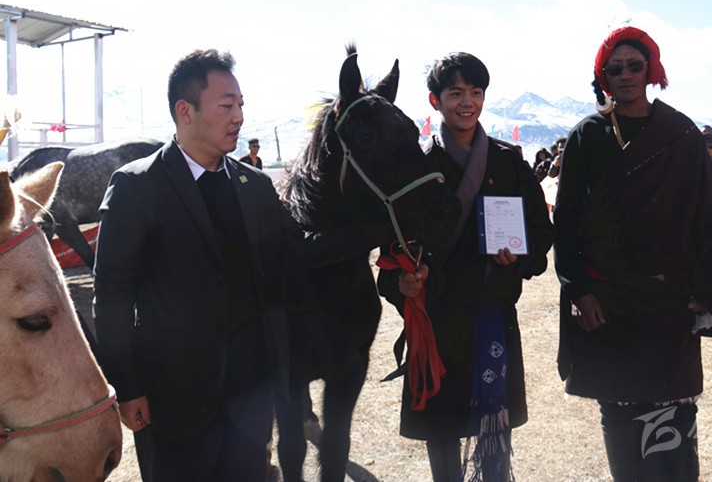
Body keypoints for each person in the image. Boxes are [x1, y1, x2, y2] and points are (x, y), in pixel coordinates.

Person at [93, 49, 384, 481]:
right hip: (175, 397)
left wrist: (378, 229)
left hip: (251, 397)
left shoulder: (255, 187)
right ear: (185, 111)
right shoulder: (138, 186)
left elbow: (299, 250)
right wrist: (127, 386)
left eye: (241, 105)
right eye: (226, 105)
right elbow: (112, 295)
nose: (239, 117)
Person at [553, 26, 712, 482]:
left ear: (650, 71)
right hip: (607, 303)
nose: (625, 75)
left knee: (672, 424)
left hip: (669, 305)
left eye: (634, 66)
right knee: (620, 415)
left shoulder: (679, 134)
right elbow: (567, 223)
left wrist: (711, 293)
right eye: (614, 69)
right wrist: (579, 290)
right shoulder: (587, 136)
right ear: (603, 76)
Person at [377, 52, 554, 482]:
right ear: (435, 100)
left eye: (476, 92)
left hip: (492, 312)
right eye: (456, 93)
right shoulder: (416, 167)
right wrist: (402, 282)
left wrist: (519, 257)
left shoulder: (509, 163)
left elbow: (540, 233)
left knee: (493, 426)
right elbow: (392, 251)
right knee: (442, 430)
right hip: (437, 319)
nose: (467, 102)